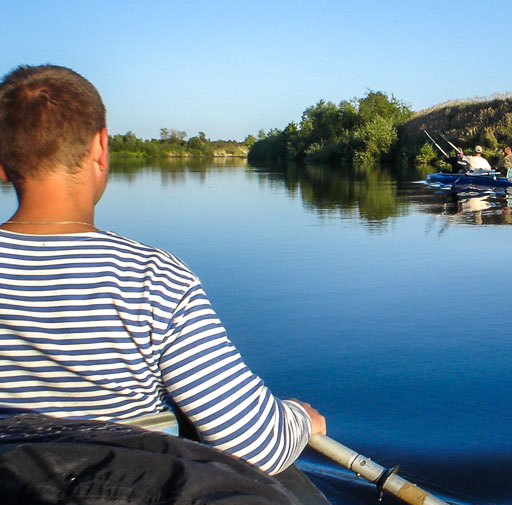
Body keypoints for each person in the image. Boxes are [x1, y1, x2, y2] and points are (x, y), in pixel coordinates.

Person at [0, 64, 324, 476]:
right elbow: (256, 446)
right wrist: (297, 418)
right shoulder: (152, 279)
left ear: (2, 164)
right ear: (101, 147)